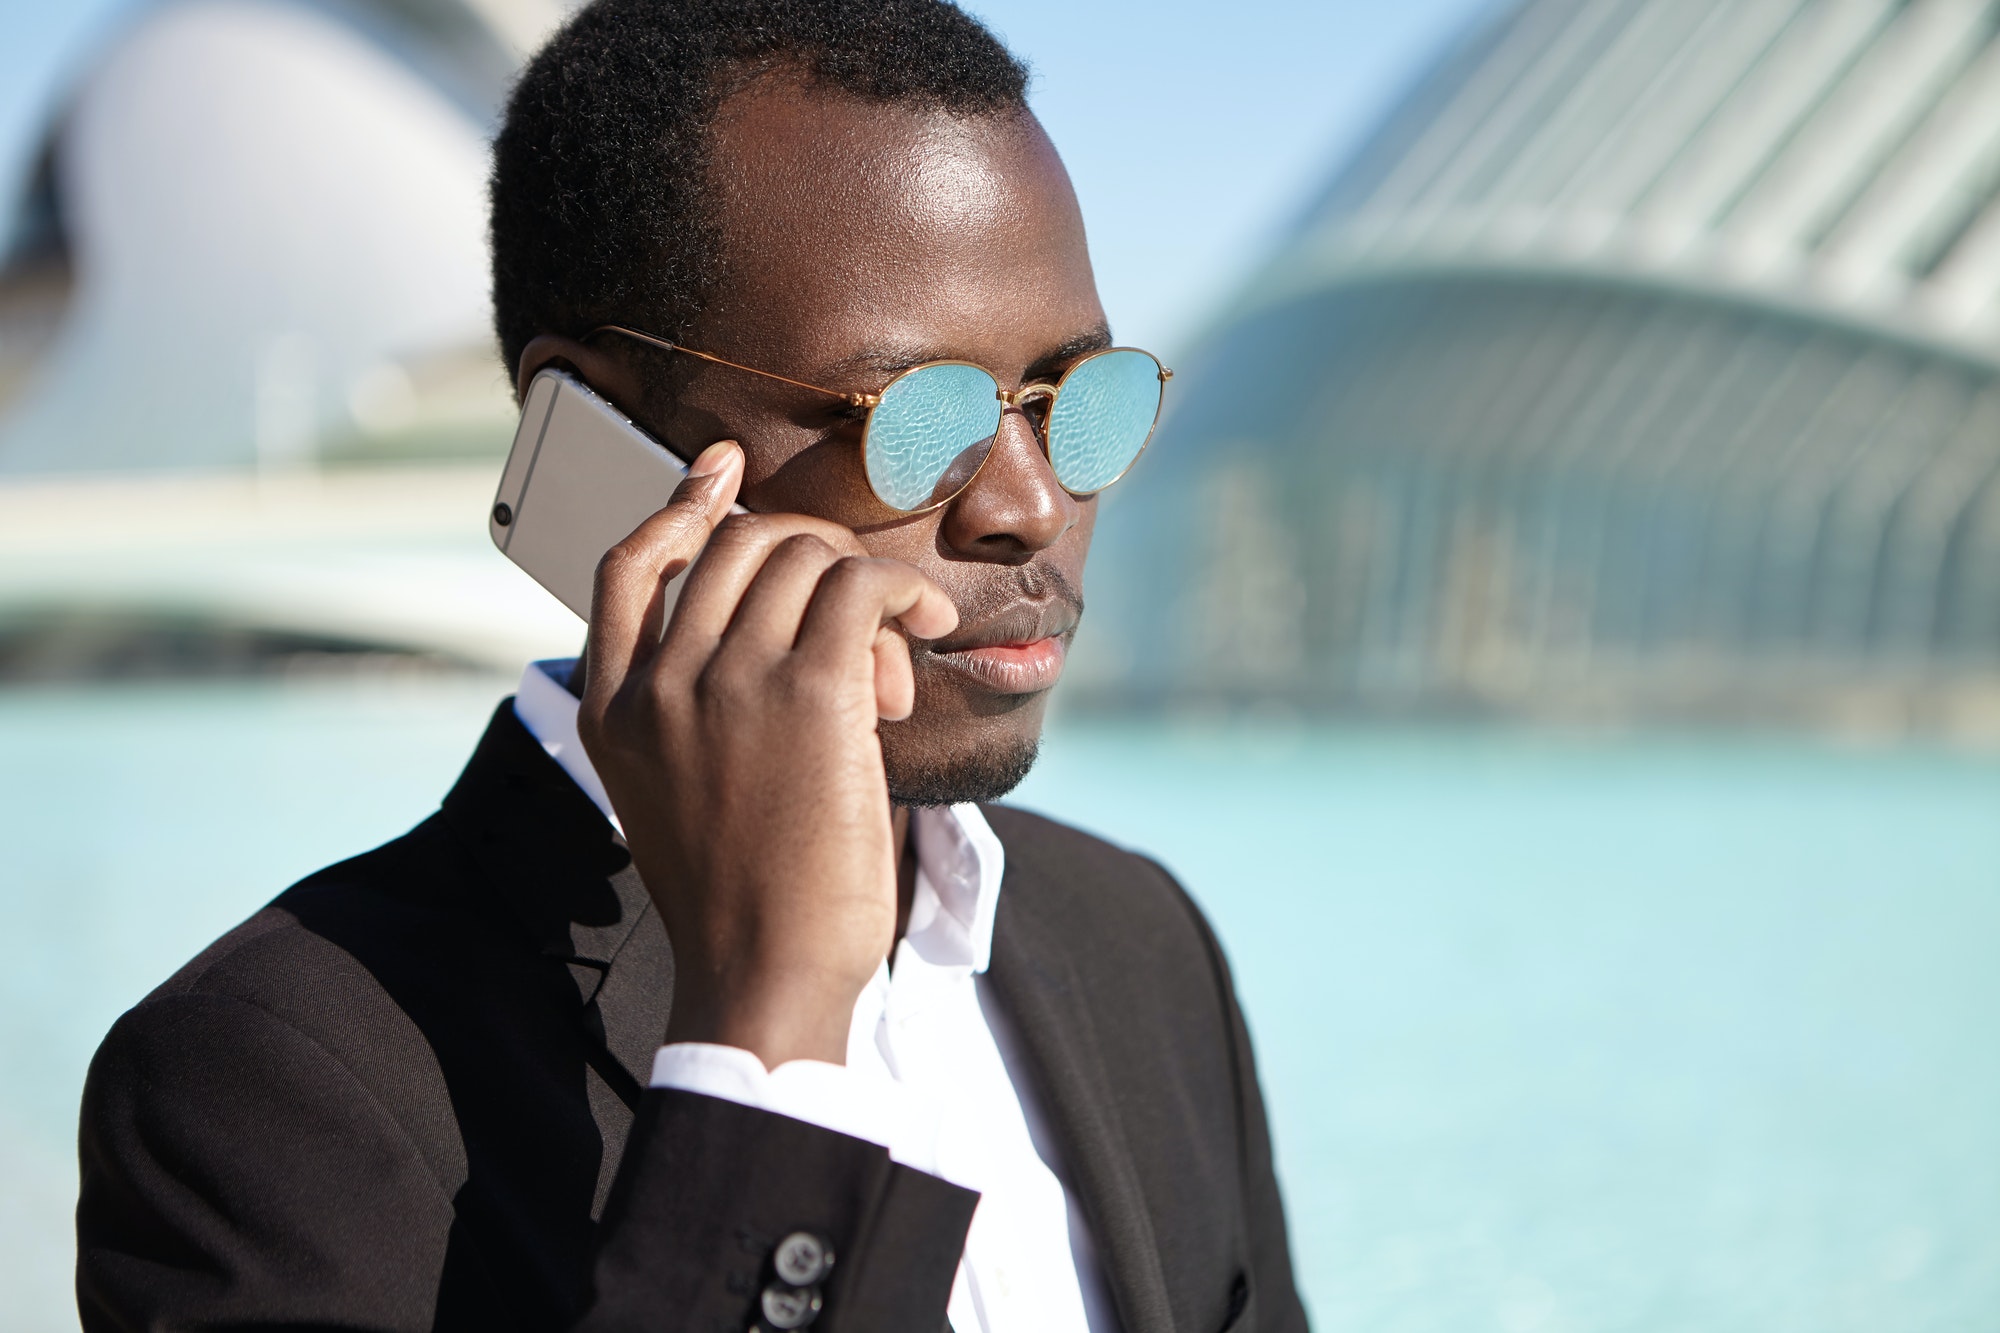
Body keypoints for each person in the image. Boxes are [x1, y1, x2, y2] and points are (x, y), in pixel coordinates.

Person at [75, 2, 1306, 1329]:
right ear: (601, 436)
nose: (1030, 502)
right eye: (916, 417)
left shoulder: (1140, 943)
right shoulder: (264, 1084)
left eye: (1074, 397)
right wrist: (764, 1029)